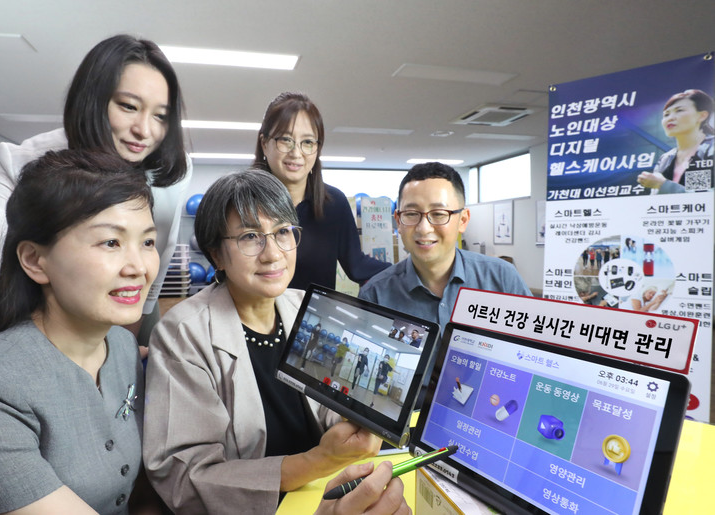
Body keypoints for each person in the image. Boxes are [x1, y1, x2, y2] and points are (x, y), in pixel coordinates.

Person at [0, 34, 192, 359]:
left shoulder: (169, 171)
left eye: (160, 116)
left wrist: (119, 358)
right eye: (129, 106)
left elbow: (153, 264)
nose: (145, 130)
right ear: (93, 101)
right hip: (37, 310)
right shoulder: (24, 162)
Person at [143, 170, 383, 514]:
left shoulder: (306, 308)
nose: (272, 254)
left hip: (326, 492)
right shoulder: (183, 333)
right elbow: (184, 477)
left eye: (283, 231)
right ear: (216, 255)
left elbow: (331, 405)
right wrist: (316, 461)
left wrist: (356, 427)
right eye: (250, 237)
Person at [0, 150, 155, 513]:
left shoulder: (121, 345)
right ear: (35, 260)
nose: (139, 267)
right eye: (110, 242)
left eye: (147, 242)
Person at [359, 162, 530, 398]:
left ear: (463, 220)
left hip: (490, 408)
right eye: (411, 214)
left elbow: (535, 357)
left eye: (439, 214)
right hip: (412, 416)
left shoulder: (502, 279)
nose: (424, 228)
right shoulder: (375, 295)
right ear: (398, 220)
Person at [252, 92, 390, 290]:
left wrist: (411, 269)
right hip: (255, 309)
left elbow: (357, 266)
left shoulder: (334, 204)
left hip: (312, 311)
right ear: (265, 144)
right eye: (285, 140)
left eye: (308, 142)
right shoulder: (243, 203)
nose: (296, 153)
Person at [637, 89, 714, 194]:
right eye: (666, 114)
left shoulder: (711, 148)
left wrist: (663, 185)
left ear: (702, 115)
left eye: (679, 110)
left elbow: (705, 197)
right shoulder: (665, 158)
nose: (670, 118)